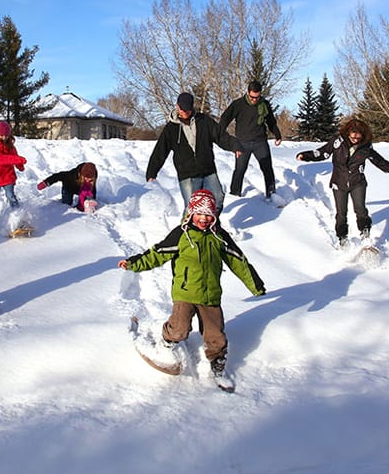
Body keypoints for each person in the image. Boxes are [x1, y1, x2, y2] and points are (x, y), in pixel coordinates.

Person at [117, 189, 266, 384]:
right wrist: (134, 263)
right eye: (199, 213)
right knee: (180, 329)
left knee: (216, 336)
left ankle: (217, 366)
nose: (203, 218)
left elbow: (238, 261)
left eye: (208, 214)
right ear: (191, 213)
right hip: (185, 293)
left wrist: (255, 285)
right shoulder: (181, 235)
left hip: (210, 295)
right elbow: (158, 253)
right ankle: (166, 341)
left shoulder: (219, 237)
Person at [296, 117, 389, 247]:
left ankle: (365, 233)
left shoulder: (365, 146)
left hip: (357, 182)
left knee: (360, 209)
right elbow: (322, 153)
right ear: (348, 132)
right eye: (353, 134)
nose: (355, 137)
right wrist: (305, 155)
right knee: (341, 213)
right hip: (339, 182)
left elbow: (376, 159)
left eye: (358, 134)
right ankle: (342, 238)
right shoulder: (338, 142)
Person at [145, 92, 239, 216]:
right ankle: (186, 232)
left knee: (217, 198)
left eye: (188, 110)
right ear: (177, 106)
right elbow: (160, 151)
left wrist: (235, 146)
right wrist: (152, 172)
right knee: (191, 207)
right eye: (182, 110)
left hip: (208, 170)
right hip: (187, 173)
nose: (185, 113)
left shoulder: (204, 121)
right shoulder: (171, 128)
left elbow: (220, 136)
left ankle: (211, 225)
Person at [219, 80, 283, 200]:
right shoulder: (238, 104)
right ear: (248, 93)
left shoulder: (264, 104)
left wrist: (277, 134)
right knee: (240, 170)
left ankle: (271, 194)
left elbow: (271, 121)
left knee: (267, 168)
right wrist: (220, 133)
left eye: (257, 97)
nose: (254, 100)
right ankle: (234, 195)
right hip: (242, 143)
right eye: (252, 97)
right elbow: (225, 118)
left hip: (260, 142)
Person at [0, 121, 27, 223]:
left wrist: (19, 165)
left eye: (6, 135)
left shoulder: (11, 146)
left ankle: (19, 218)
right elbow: (0, 159)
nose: (4, 137)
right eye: (1, 135)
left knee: (11, 196)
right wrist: (17, 160)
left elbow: (14, 156)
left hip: (8, 176)